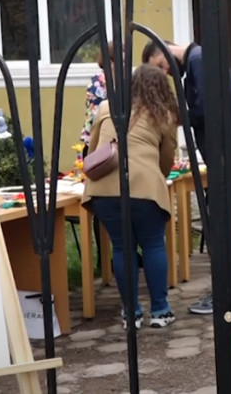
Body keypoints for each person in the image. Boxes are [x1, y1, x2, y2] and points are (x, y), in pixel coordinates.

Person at [82, 64, 179, 330]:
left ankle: (131, 313)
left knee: (122, 247)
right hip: (144, 188)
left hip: (104, 190)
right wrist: (154, 177)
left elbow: (93, 150)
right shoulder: (163, 114)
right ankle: (160, 311)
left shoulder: (106, 108)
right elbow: (167, 159)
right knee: (153, 245)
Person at [166, 42, 231, 315]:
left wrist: (181, 115)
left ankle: (228, 293)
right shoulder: (200, 59)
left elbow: (207, 108)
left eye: (162, 66)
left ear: (166, 53)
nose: (167, 73)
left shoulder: (198, 60)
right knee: (225, 224)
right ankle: (229, 289)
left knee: (223, 226)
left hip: (227, 155)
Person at [80, 42, 114, 148]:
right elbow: (98, 114)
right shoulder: (98, 83)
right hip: (95, 141)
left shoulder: (121, 81)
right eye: (122, 61)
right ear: (110, 62)